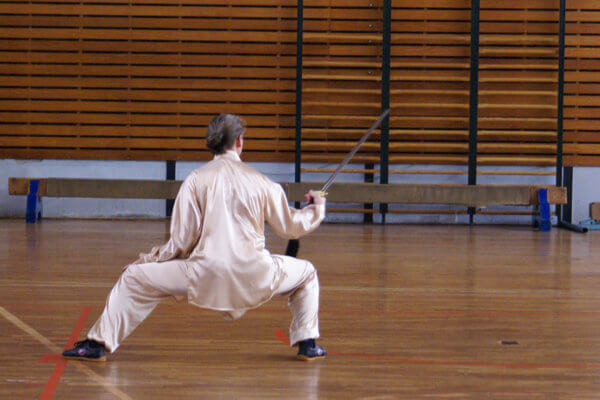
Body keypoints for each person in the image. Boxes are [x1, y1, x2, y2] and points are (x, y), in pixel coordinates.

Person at [62, 113, 327, 362]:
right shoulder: (263, 183)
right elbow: (291, 226)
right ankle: (308, 345)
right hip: (257, 275)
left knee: (134, 279)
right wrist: (316, 207)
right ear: (238, 142)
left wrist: (148, 260)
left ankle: (97, 345)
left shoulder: (195, 180)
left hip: (202, 275)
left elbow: (181, 241)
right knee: (307, 274)